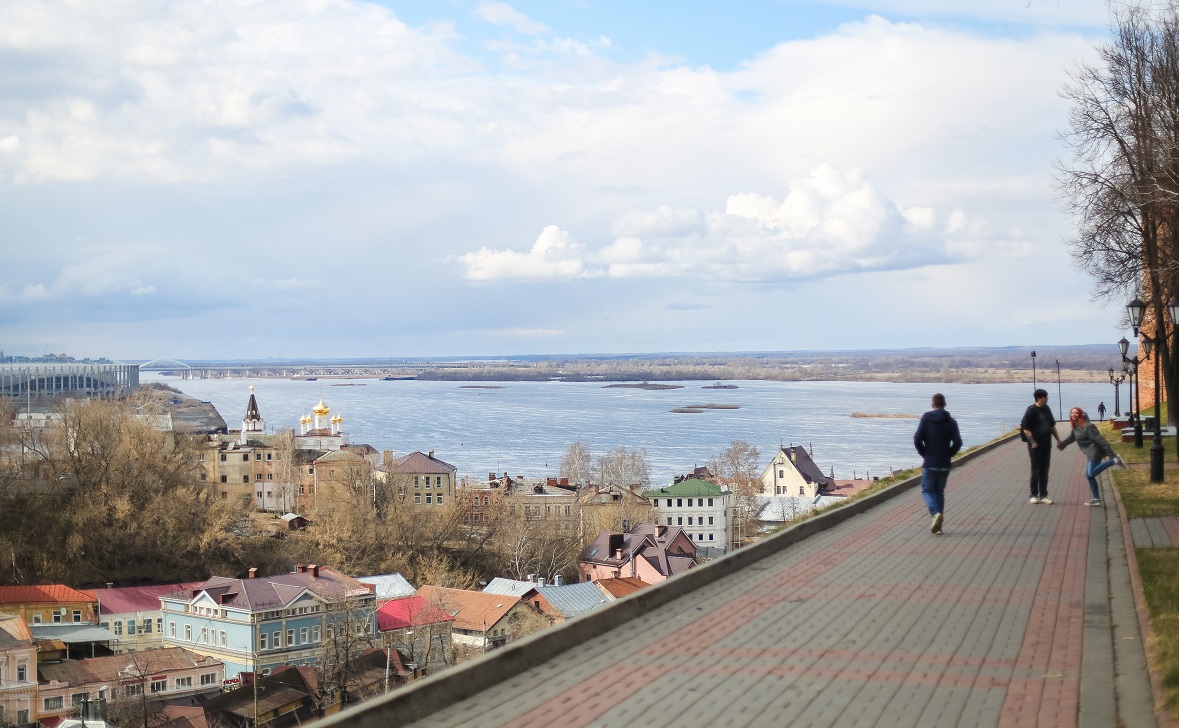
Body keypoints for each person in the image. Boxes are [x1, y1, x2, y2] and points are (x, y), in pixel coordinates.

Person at [914, 392, 963, 534]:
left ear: (932, 405)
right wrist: (949, 454)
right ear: (945, 405)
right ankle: (938, 527)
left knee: (927, 490)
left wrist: (925, 453)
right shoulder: (952, 422)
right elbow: (958, 442)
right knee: (939, 492)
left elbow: (917, 439)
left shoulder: (925, 420)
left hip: (930, 462)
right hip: (944, 463)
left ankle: (935, 514)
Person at [1058, 407, 1123, 505]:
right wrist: (1062, 444)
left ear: (1080, 414)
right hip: (1090, 452)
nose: (1073, 415)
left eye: (1076, 413)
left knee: (1091, 473)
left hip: (1095, 451)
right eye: (1072, 413)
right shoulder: (1076, 427)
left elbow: (1101, 440)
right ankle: (1096, 499)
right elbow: (1072, 438)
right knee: (1089, 475)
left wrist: (1111, 455)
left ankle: (1114, 461)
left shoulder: (1088, 426)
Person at [1021, 388, 1063, 504]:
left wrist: (1058, 440)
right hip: (1035, 447)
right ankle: (1034, 495)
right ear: (1039, 398)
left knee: (1045, 471)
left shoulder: (1047, 409)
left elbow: (1052, 426)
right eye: (1046, 397)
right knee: (1036, 470)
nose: (1047, 399)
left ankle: (1044, 495)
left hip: (1046, 445)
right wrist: (1033, 442)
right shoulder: (1031, 411)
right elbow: (1026, 429)